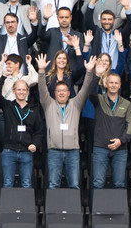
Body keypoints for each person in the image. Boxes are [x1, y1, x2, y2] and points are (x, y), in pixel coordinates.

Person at [37, 53, 98, 189]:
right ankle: (54, 211)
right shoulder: (49, 104)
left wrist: (89, 72)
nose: (62, 93)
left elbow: (85, 89)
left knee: (74, 184)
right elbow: (42, 89)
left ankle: (73, 210)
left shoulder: (76, 104)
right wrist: (41, 71)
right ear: (55, 93)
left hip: (73, 151)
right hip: (54, 151)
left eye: (64, 91)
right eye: (59, 91)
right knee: (53, 184)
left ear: (69, 92)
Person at [0, 72, 42, 188]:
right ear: (14, 91)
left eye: (24, 90)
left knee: (27, 184)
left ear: (28, 92)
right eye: (19, 89)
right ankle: (6, 207)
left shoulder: (34, 110)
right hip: (9, 150)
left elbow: (39, 131)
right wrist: (3, 76)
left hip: (26, 151)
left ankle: (26, 207)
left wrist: (35, 144)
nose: (21, 92)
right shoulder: (8, 106)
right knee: (7, 183)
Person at [90, 71, 131, 189]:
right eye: (111, 83)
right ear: (106, 84)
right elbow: (90, 92)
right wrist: (96, 76)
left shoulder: (127, 103)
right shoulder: (99, 99)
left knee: (119, 183)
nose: (113, 85)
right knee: (98, 182)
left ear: (120, 85)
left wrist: (121, 140)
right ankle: (97, 208)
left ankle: (117, 208)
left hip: (120, 149)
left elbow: (130, 125)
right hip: (100, 147)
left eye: (116, 83)